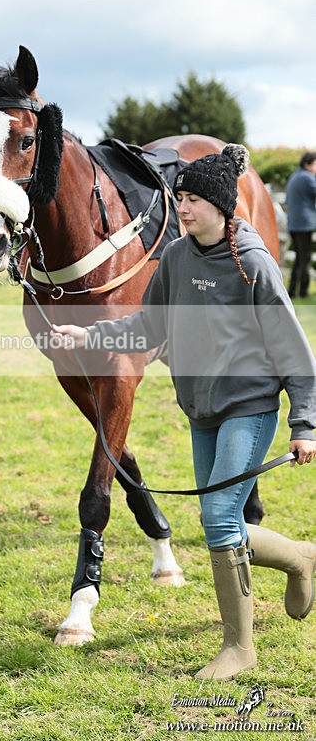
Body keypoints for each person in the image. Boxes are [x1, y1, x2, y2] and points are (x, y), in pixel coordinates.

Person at [51, 144, 316, 680]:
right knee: (223, 523)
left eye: (192, 199)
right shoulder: (174, 257)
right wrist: (89, 334)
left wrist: (305, 423)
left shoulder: (253, 263)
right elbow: (148, 326)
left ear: (220, 205)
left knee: (219, 520)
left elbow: (293, 347)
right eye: (181, 198)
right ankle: (300, 557)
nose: (183, 207)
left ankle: (239, 648)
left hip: (250, 406)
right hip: (201, 408)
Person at [285, 151, 316, 298]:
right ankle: (303, 292)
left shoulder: (295, 175)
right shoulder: (307, 177)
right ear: (307, 164)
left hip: (294, 223)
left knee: (299, 259)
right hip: (304, 224)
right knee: (304, 259)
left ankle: (292, 291)